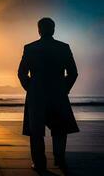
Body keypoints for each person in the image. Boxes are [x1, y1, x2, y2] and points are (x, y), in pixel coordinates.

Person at [18, 17, 79, 173]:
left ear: (39, 30)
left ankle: (39, 163)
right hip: (57, 93)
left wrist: (30, 88)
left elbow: (21, 73)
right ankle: (59, 158)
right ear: (53, 29)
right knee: (59, 129)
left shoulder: (30, 48)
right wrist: (64, 89)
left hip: (36, 94)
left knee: (36, 131)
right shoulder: (63, 47)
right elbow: (73, 73)